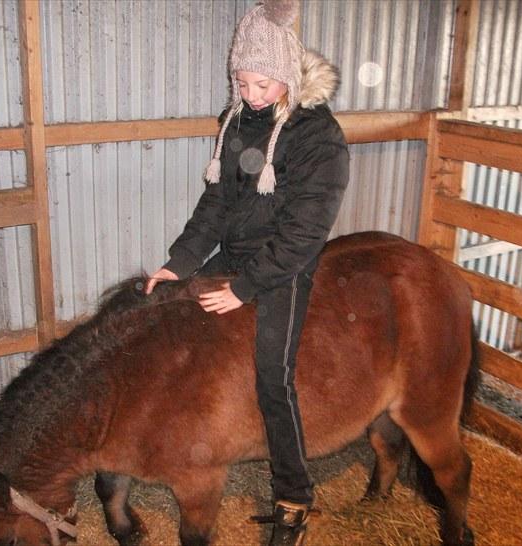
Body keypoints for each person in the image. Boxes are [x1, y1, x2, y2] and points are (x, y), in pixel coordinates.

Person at [145, 1, 349, 544]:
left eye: (264, 84)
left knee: (272, 377)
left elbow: (307, 232)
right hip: (233, 253)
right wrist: (179, 264)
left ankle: (294, 497)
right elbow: (215, 204)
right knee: (181, 328)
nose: (253, 94)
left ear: (286, 76)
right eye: (243, 81)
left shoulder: (318, 138)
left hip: (284, 265)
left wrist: (243, 288)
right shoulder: (235, 121)